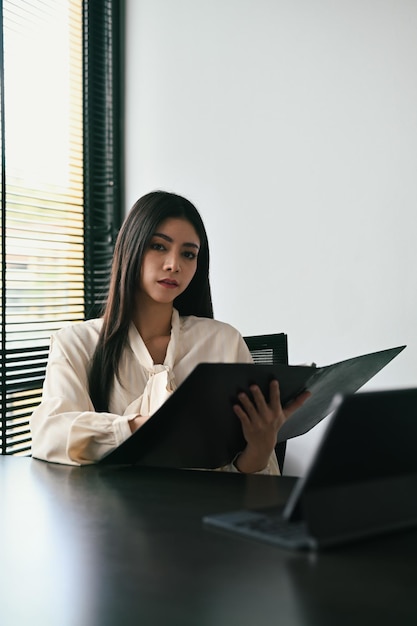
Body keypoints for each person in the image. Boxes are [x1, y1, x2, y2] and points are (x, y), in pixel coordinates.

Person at [31, 190, 309, 472]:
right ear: (132, 248)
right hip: (112, 511)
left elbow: (249, 482)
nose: (174, 265)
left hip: (203, 508)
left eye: (188, 254)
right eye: (159, 246)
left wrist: (260, 447)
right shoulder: (76, 344)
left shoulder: (223, 341)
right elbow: (51, 435)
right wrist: (142, 427)